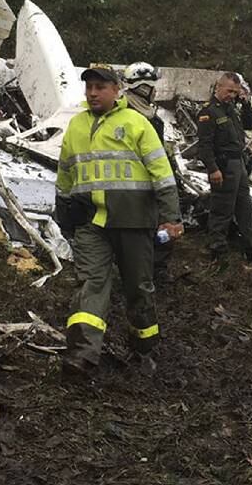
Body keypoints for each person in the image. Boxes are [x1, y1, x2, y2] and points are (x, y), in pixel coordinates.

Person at [56, 67, 183, 377]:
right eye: (89, 88)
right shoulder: (75, 126)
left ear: (117, 90)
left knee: (138, 288)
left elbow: (162, 175)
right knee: (91, 284)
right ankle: (82, 355)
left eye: (100, 87)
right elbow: (65, 175)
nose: (93, 93)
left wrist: (170, 218)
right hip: (91, 223)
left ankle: (144, 349)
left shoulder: (137, 124)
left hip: (134, 222)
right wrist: (63, 214)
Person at [123, 62, 181, 285]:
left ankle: (156, 270)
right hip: (134, 184)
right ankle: (144, 273)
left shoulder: (151, 116)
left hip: (154, 181)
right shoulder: (126, 115)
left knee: (162, 226)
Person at [196, 72, 252, 262]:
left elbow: (249, 124)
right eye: (229, 91)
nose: (231, 95)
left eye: (235, 92)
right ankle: (217, 247)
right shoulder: (209, 112)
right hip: (223, 164)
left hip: (238, 162)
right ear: (218, 87)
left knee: (244, 206)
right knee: (222, 207)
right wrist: (212, 168)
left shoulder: (231, 109)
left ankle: (251, 246)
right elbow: (204, 145)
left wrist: (246, 103)